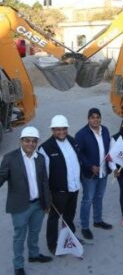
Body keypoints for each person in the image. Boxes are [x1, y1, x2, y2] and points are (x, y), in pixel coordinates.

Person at [0, 127, 52, 275]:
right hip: (19, 206)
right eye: (27, 140)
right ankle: (18, 265)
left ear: (37, 142)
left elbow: (44, 181)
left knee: (35, 232)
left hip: (38, 204)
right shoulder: (10, 158)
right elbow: (1, 176)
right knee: (19, 237)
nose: (30, 144)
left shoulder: (40, 158)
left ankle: (34, 255)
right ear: (21, 141)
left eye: (34, 141)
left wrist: (46, 203)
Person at [39, 115, 81, 255]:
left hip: (74, 188)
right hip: (58, 192)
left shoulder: (72, 141)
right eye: (57, 130)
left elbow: (77, 162)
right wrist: (46, 195)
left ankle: (70, 238)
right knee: (53, 218)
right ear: (52, 130)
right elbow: (43, 176)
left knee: (69, 216)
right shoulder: (45, 148)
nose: (61, 132)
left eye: (64, 129)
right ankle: (52, 244)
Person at [76, 108, 112, 240]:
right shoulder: (81, 134)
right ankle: (85, 227)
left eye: (98, 117)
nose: (95, 119)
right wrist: (90, 166)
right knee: (87, 200)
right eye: (92, 117)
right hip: (89, 174)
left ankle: (97, 220)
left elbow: (109, 148)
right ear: (88, 119)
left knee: (99, 197)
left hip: (103, 172)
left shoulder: (105, 130)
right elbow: (79, 153)